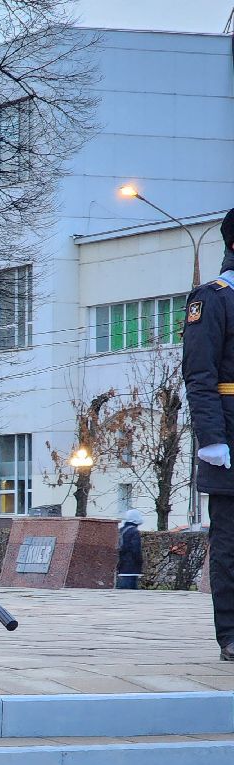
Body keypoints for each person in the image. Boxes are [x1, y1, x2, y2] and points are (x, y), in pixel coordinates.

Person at [182, 207, 234, 658]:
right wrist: (212, 440)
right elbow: (200, 375)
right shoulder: (214, 297)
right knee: (230, 544)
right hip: (230, 433)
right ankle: (231, 634)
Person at [116, 509, 144, 590]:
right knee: (131, 591)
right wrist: (140, 562)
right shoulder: (134, 532)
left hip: (121, 565)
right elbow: (136, 550)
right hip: (132, 567)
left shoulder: (121, 530)